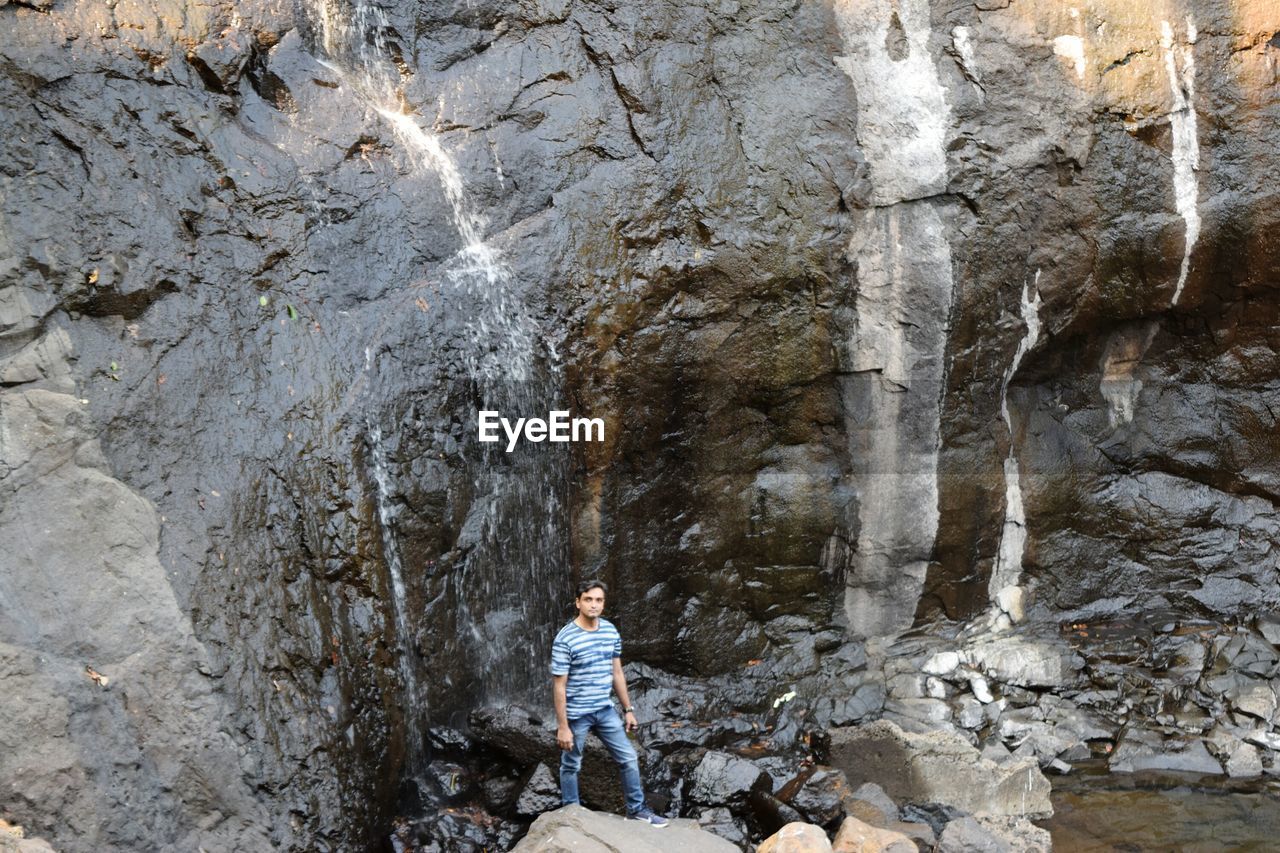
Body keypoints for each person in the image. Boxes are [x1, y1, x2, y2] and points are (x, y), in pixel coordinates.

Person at [551, 579, 668, 827]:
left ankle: (637, 809)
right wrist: (563, 726)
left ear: (603, 604)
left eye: (599, 600)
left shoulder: (609, 631)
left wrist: (628, 710)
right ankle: (571, 814)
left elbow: (617, 673)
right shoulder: (565, 639)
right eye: (588, 599)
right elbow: (559, 686)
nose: (594, 605)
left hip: (604, 710)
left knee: (628, 758)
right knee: (571, 765)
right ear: (578, 602)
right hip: (577, 714)